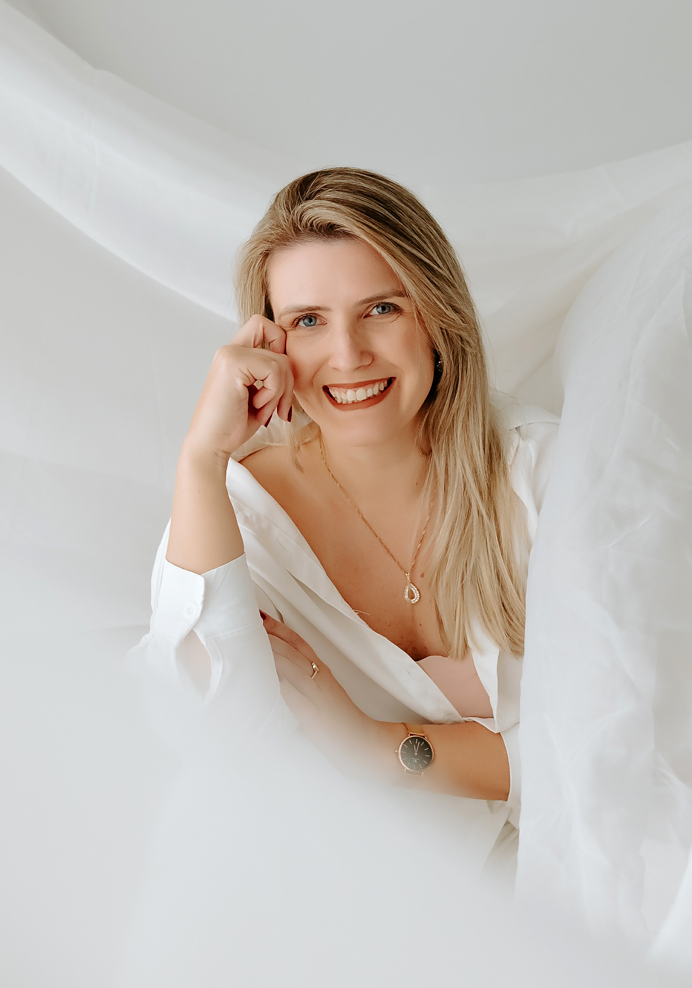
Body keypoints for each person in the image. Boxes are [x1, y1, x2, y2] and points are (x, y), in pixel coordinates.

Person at [132, 167, 558, 874]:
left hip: (570, 876)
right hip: (343, 892)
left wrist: (376, 747)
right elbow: (216, 739)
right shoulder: (240, 514)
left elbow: (623, 737)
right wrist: (201, 458)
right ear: (270, 347)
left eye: (381, 309)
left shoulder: (539, 472)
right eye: (308, 321)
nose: (348, 355)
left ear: (436, 314)